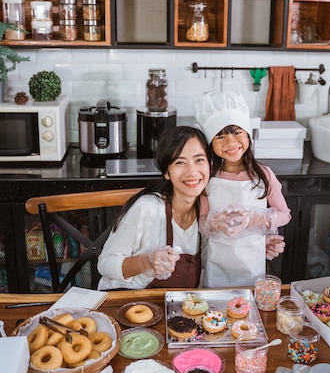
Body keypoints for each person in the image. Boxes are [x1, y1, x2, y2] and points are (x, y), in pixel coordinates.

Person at [195, 91, 292, 288]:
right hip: (216, 265)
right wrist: (214, 221)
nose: (231, 142)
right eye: (220, 136)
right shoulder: (208, 177)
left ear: (248, 134)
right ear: (210, 144)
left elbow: (285, 214)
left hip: (252, 266)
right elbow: (201, 220)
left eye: (237, 132)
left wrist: (259, 219)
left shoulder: (263, 175)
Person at [97, 125, 211, 290]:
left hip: (177, 305)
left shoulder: (207, 213)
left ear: (210, 164)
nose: (192, 171)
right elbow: (105, 263)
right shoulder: (147, 207)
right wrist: (146, 262)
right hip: (129, 299)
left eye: (199, 160)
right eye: (180, 162)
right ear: (166, 172)